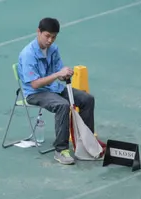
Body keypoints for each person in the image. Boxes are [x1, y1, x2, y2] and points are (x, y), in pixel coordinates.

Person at [17, 17, 96, 165]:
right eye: (47, 36)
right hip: (36, 93)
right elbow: (34, 84)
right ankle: (61, 150)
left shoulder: (53, 49)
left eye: (53, 37)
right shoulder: (28, 54)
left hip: (54, 88)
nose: (50, 40)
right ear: (38, 32)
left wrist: (64, 74)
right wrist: (57, 75)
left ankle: (86, 144)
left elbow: (58, 72)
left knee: (87, 99)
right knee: (62, 105)